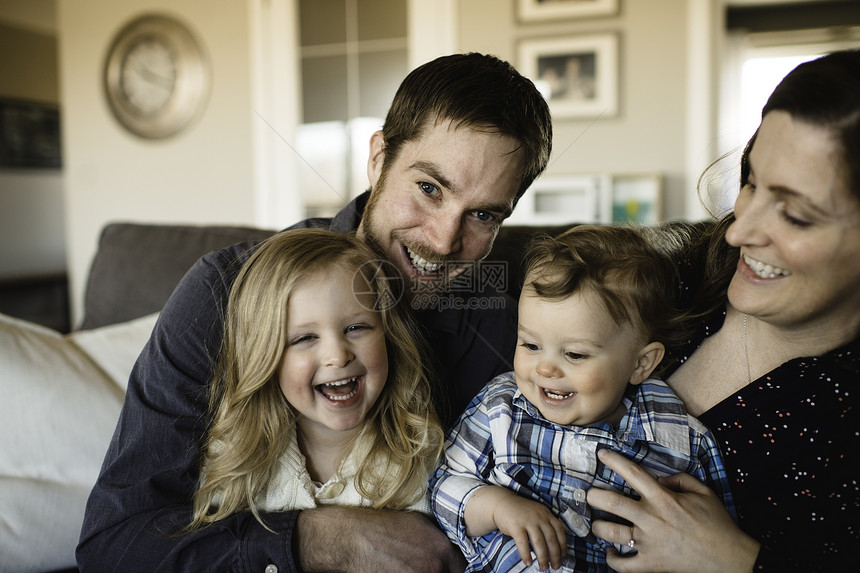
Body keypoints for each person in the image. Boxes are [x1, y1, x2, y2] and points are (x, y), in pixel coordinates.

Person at [77, 52, 552, 572]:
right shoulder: (226, 292)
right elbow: (115, 546)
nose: (443, 241)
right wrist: (319, 539)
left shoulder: (515, 335)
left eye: (483, 215)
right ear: (378, 158)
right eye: (429, 188)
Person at [587, 49, 860, 572]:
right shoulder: (672, 278)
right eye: (752, 182)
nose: (738, 231)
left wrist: (735, 561)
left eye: (796, 215)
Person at [430, 225, 735, 572]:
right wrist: (497, 507)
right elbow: (442, 487)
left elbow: (708, 545)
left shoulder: (681, 441)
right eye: (530, 345)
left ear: (640, 363)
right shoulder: (500, 408)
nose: (544, 368)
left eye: (574, 354)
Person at [188, 229, 443, 532]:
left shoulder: (421, 458)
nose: (337, 355)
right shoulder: (233, 461)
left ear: (388, 335)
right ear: (265, 357)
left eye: (356, 327)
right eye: (305, 337)